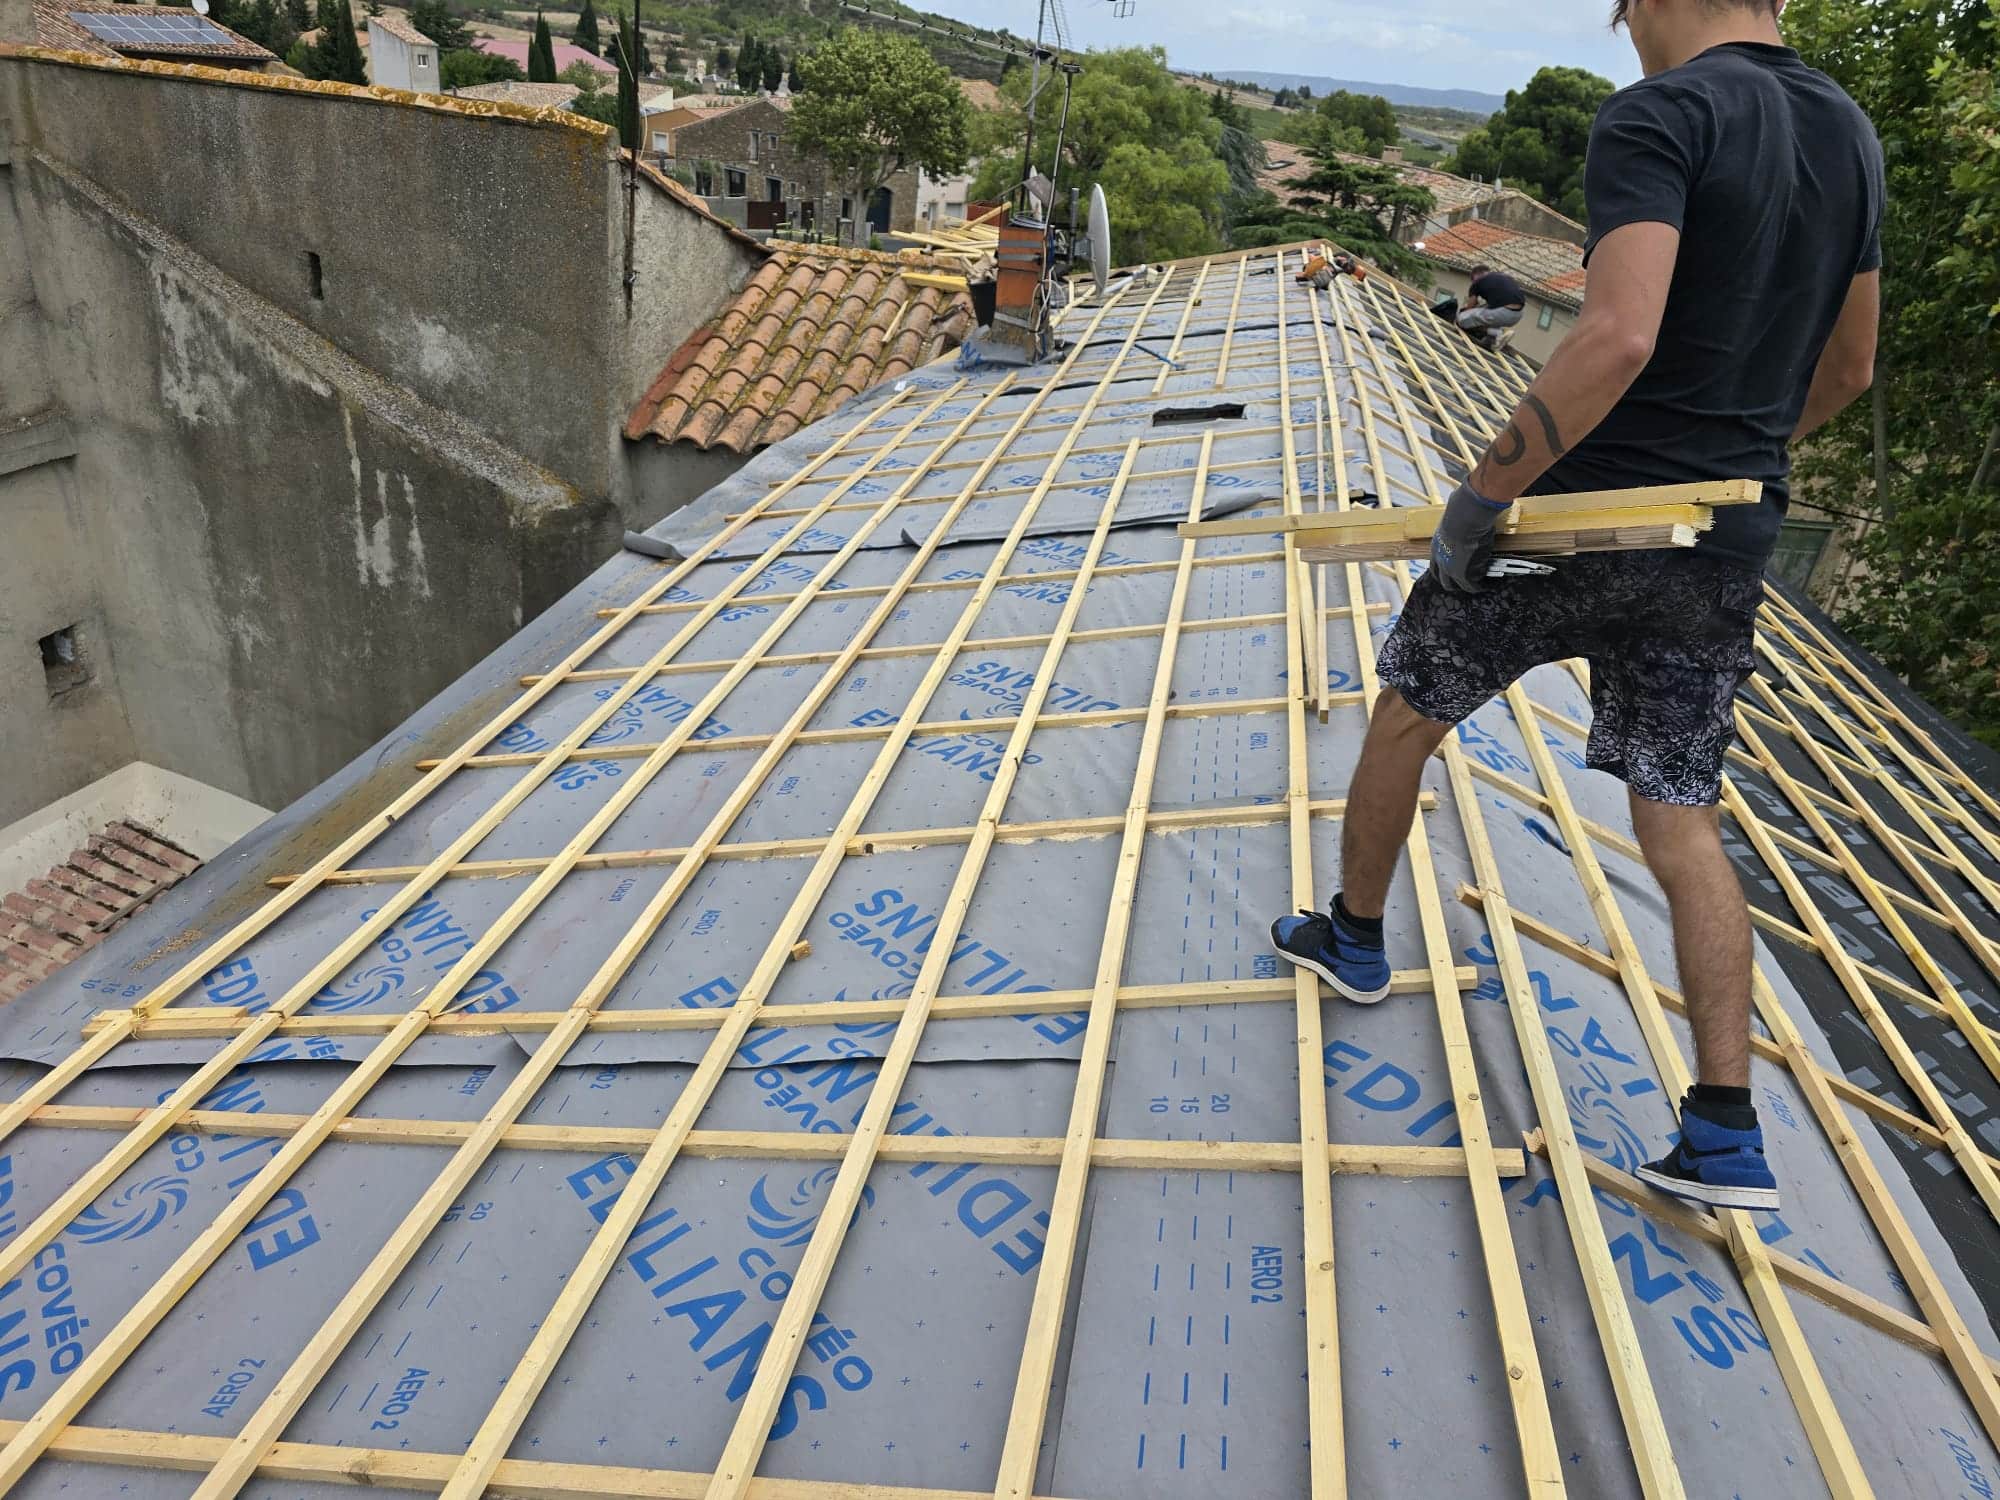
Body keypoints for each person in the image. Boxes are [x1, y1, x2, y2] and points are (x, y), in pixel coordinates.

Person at [1271, 0, 1883, 1214]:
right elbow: (1849, 368)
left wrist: (1481, 496)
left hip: (1572, 519)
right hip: (1715, 539)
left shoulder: (1663, 112)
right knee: (1680, 812)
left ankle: (1351, 937)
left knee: (1408, 710)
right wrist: (1746, 462)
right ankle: (1723, 1132)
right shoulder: (1848, 134)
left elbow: (1614, 336)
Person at [1456, 263, 1528, 348]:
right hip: (1518, 314)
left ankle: (1500, 334)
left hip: (1503, 313)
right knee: (1487, 314)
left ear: (1475, 275)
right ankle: (1492, 338)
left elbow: (1470, 306)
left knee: (1463, 318)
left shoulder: (1478, 282)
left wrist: (1464, 311)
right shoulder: (1503, 277)